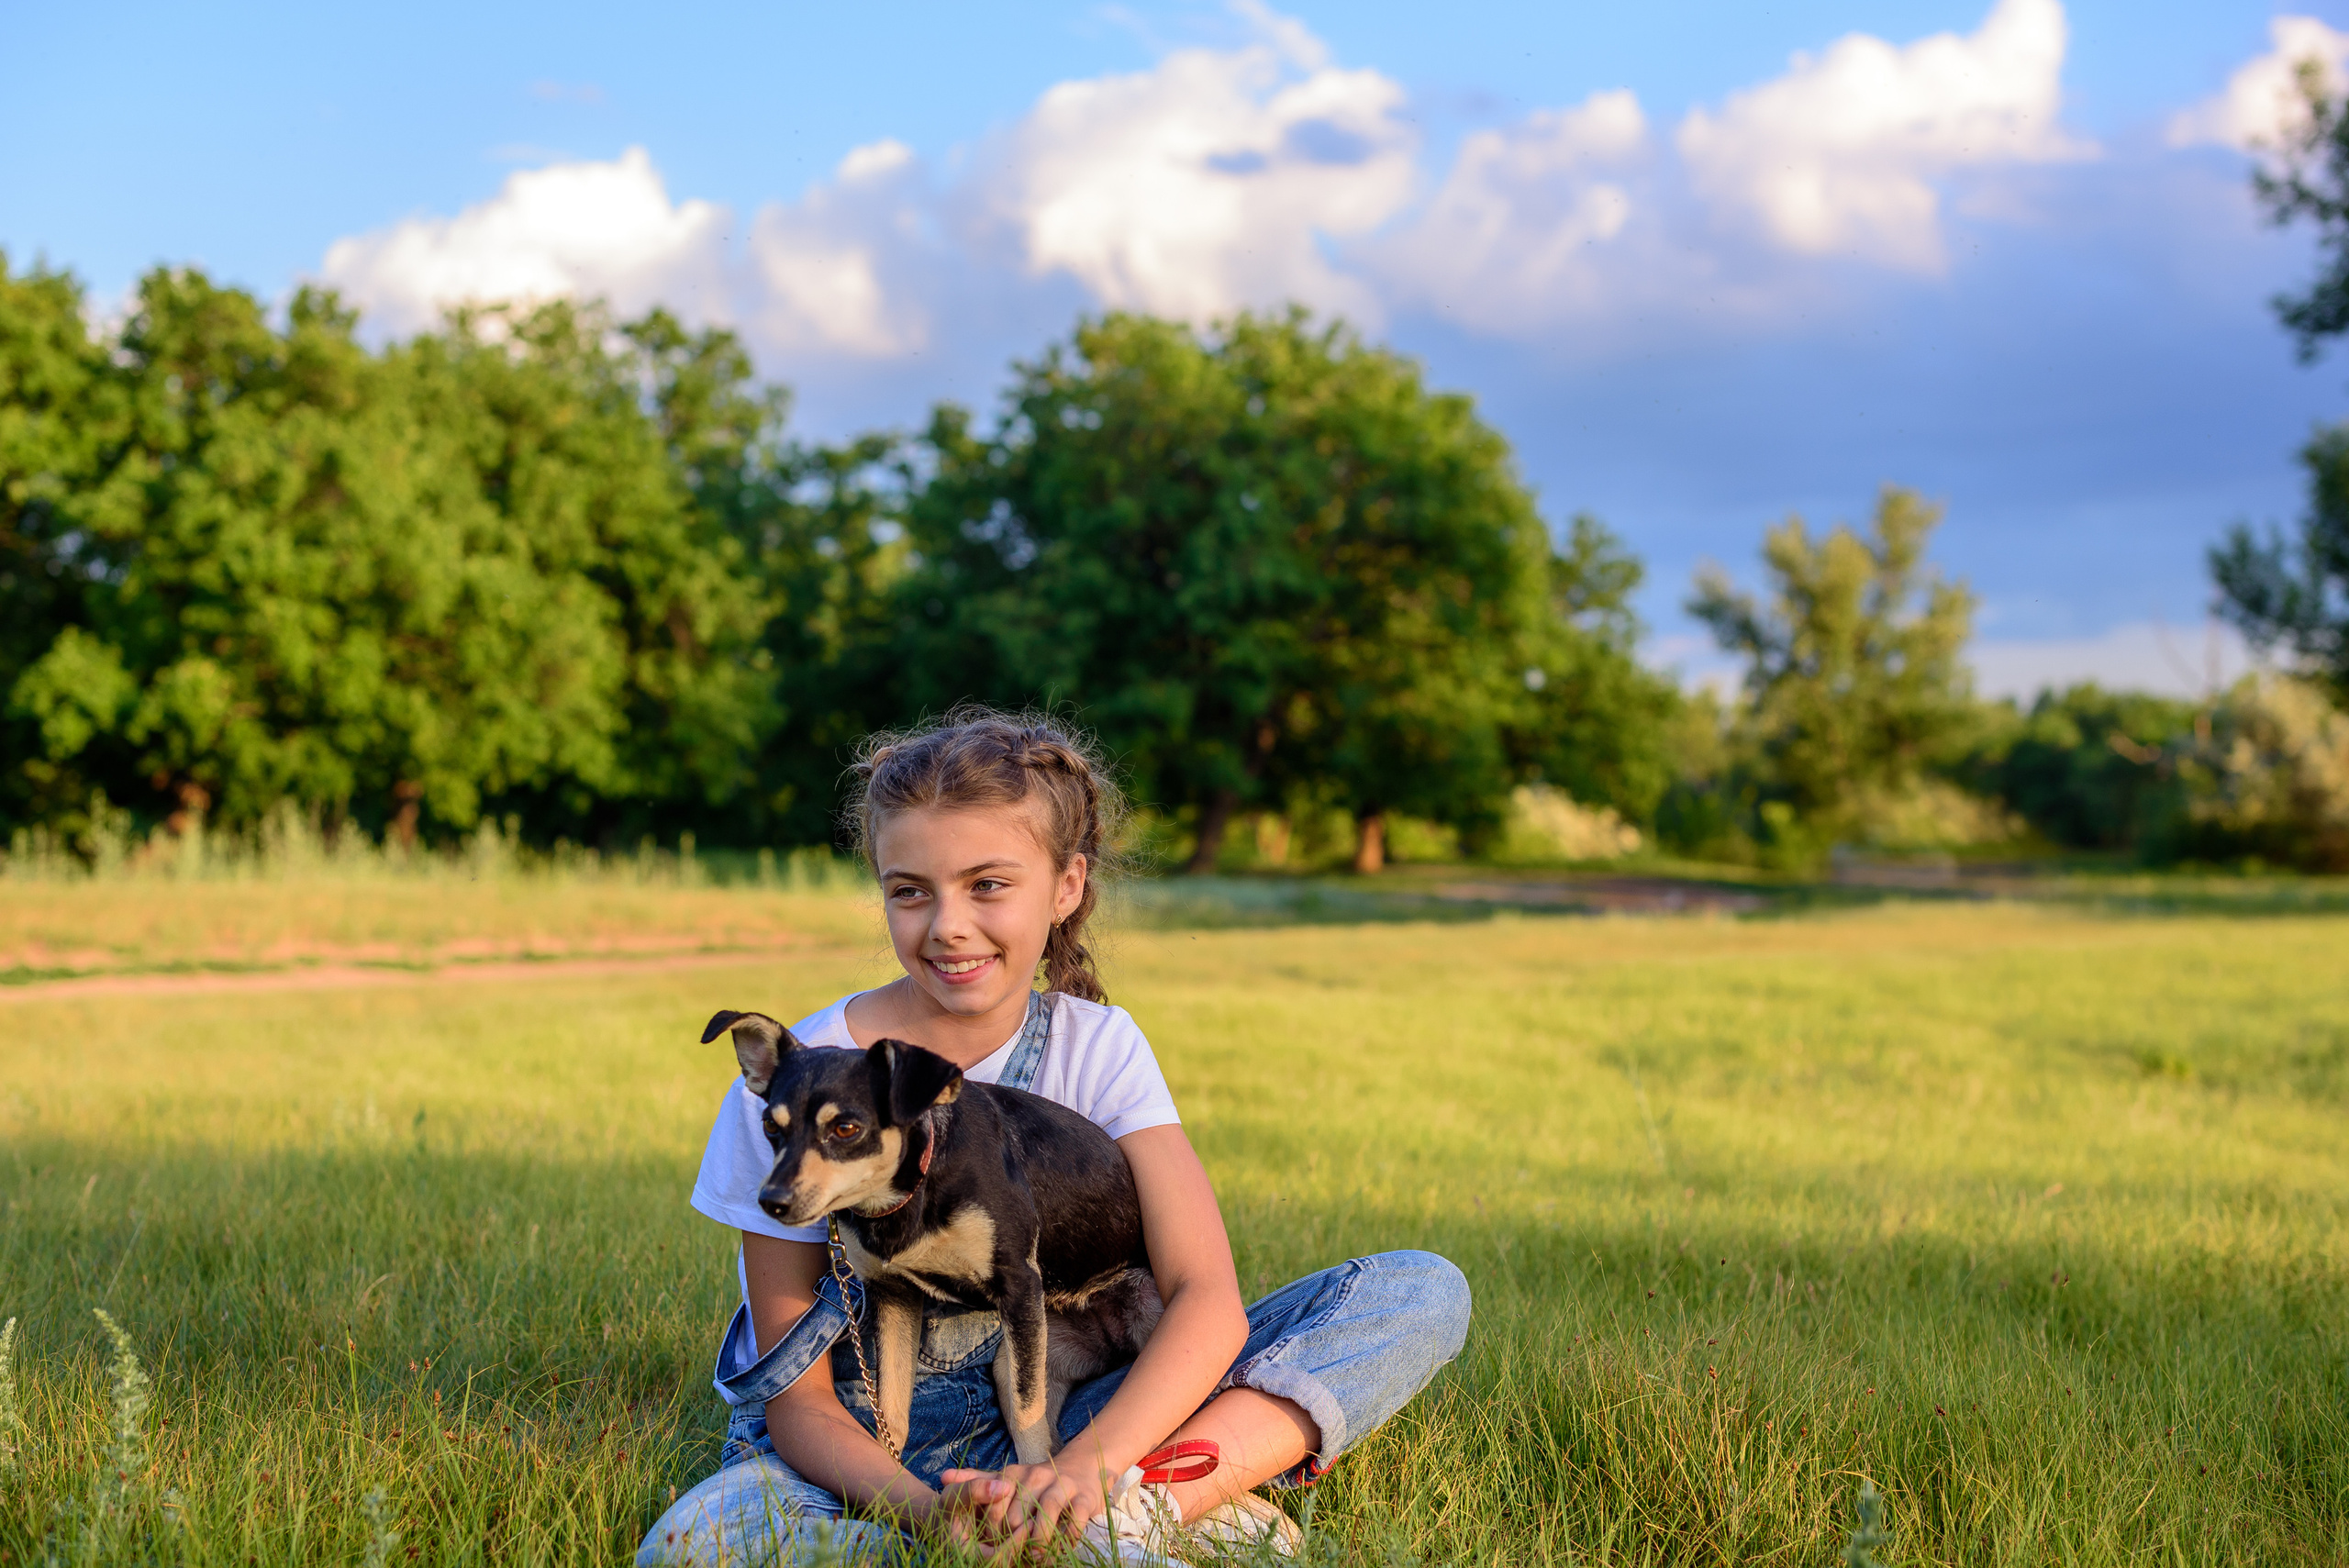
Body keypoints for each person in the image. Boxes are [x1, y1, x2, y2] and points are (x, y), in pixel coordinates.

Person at [638, 709, 1470, 1564]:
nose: (947, 925)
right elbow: (798, 1401)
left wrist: (1081, 1468)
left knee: (1419, 1292)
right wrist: (929, 1513)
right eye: (909, 890)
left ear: (1066, 885)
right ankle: (1099, 1522)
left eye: (987, 885)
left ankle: (1132, 1504)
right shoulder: (799, 1082)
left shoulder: (1097, 1046)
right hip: (865, 1450)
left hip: (1079, 1414)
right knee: (691, 1547)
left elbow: (1204, 1297)